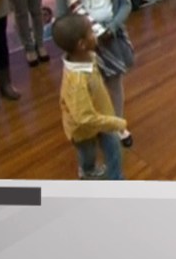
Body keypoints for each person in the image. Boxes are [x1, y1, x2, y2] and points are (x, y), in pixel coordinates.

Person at [55, 0, 135, 148]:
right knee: (89, 89)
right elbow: (61, 17)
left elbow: (125, 4)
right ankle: (96, 125)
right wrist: (80, 37)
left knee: (114, 84)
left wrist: (113, 26)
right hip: (83, 46)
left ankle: (117, 125)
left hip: (111, 38)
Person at [52, 13, 126, 180]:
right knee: (88, 154)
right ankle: (88, 171)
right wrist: (116, 122)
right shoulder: (77, 81)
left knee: (114, 149)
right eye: (91, 31)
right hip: (83, 129)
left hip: (101, 117)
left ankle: (117, 180)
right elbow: (84, 118)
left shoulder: (88, 57)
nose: (95, 32)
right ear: (82, 44)